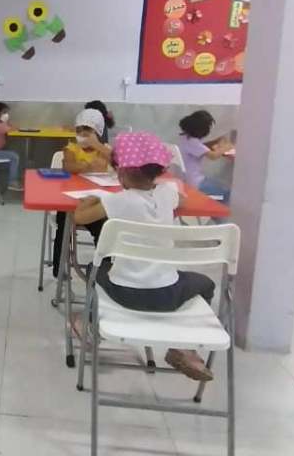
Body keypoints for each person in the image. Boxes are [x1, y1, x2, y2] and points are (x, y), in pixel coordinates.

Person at [73, 131, 216, 382]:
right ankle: (182, 348)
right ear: (157, 170)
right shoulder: (167, 193)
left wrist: (93, 197)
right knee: (206, 284)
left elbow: (79, 217)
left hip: (124, 292)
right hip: (168, 293)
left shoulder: (118, 201)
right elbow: (181, 200)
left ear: (121, 172)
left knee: (94, 268)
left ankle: (88, 323)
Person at [52, 109, 112, 277]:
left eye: (88, 131)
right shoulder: (71, 148)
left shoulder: (104, 150)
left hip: (94, 202)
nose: (83, 135)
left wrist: (97, 146)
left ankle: (104, 269)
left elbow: (114, 160)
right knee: (63, 227)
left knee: (104, 227)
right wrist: (87, 166)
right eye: (79, 131)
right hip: (71, 201)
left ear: (97, 132)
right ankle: (58, 268)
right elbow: (68, 166)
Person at [178, 110, 233, 203]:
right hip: (195, 183)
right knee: (227, 194)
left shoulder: (185, 138)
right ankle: (220, 212)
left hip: (186, 180)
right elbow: (213, 156)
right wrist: (228, 146)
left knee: (220, 186)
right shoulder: (193, 142)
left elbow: (201, 147)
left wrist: (217, 140)